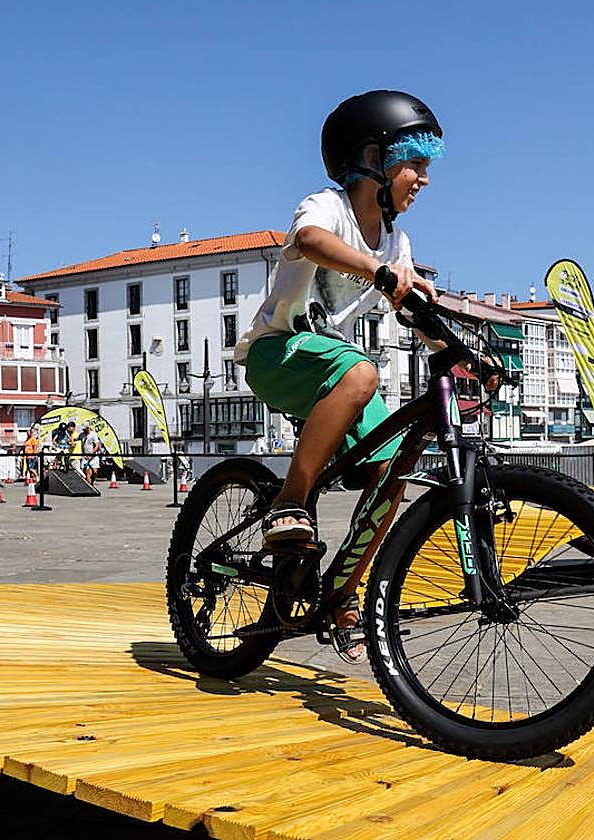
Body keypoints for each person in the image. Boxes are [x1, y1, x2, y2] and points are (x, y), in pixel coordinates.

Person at [234, 90, 502, 661]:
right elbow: (308, 242)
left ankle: (340, 595)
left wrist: (465, 353)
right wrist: (377, 271)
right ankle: (291, 498)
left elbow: (413, 309)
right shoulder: (327, 208)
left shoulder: (397, 240)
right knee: (362, 372)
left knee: (392, 468)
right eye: (417, 164)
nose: (425, 180)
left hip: (333, 372)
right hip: (277, 354)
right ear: (373, 159)